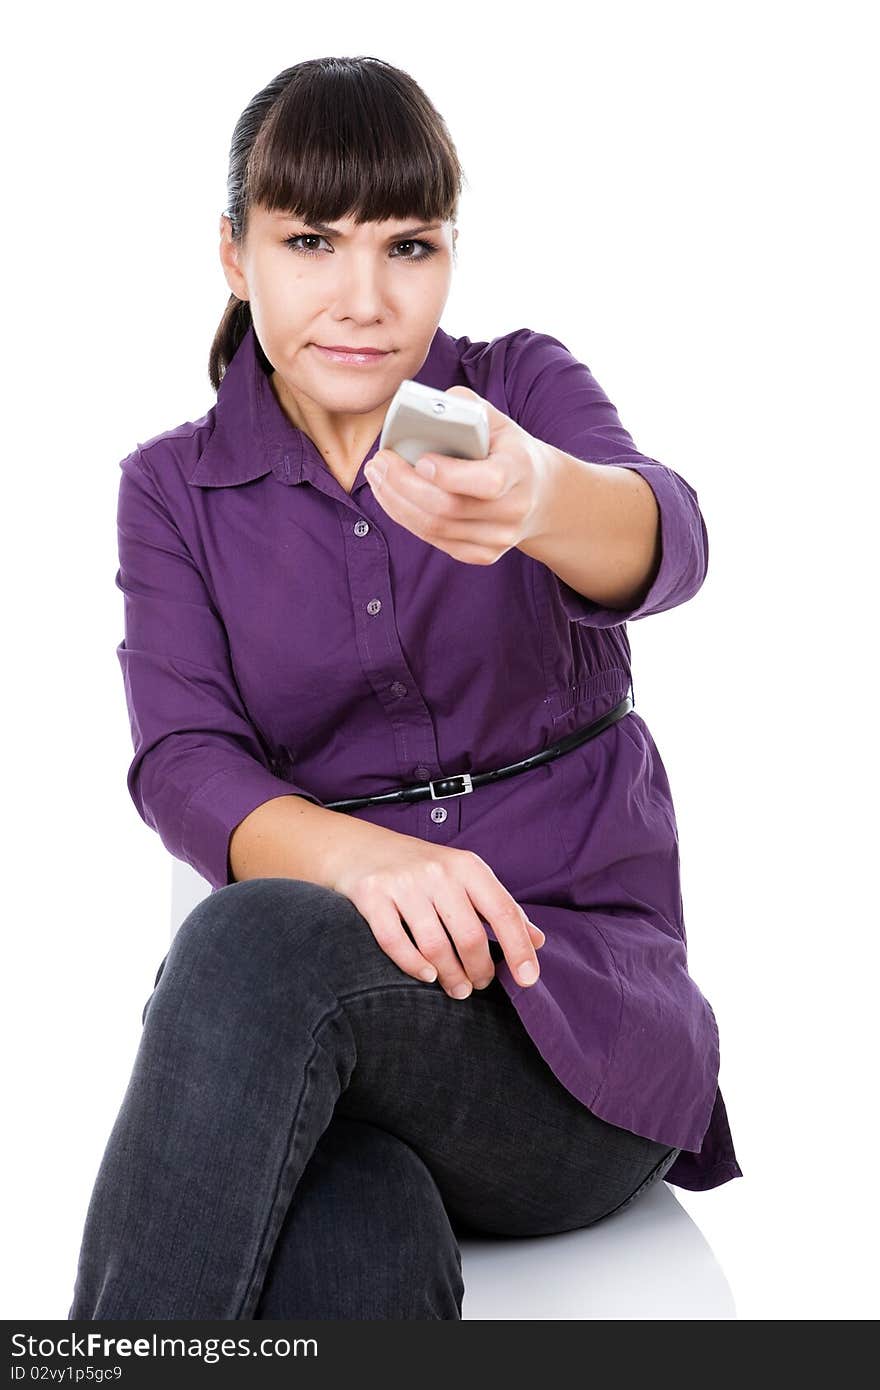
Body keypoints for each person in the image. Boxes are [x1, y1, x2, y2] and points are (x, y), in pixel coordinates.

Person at [69, 54, 742, 1322]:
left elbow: (669, 541)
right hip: (356, 1038)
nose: (364, 299)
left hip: (572, 1033)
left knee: (243, 945)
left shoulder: (513, 398)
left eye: (410, 245)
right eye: (312, 241)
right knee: (345, 1231)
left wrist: (541, 495)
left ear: (449, 253)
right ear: (235, 254)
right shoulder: (172, 487)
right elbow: (184, 761)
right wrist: (361, 861)